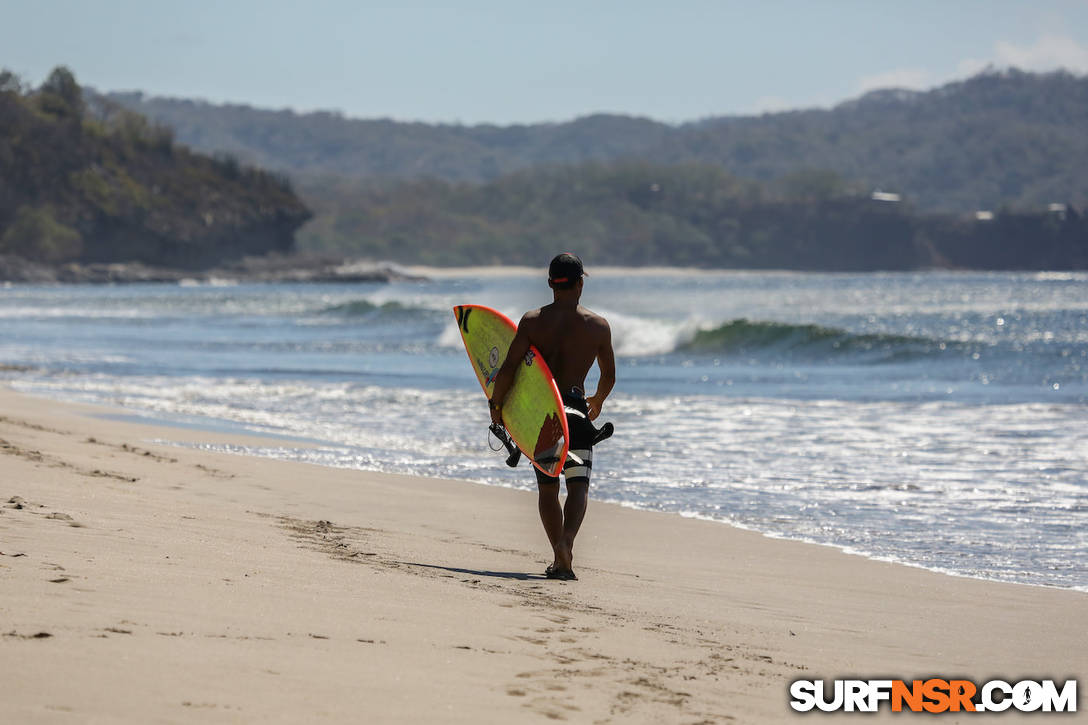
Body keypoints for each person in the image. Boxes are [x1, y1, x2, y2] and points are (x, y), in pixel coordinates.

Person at [489, 253, 616, 581]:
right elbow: (608, 376)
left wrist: (497, 406)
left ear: (549, 284)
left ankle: (559, 555)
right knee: (578, 486)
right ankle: (567, 544)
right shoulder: (598, 326)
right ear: (581, 283)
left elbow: (508, 370)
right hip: (576, 413)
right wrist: (598, 401)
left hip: (546, 417)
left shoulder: (532, 321)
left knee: (548, 490)